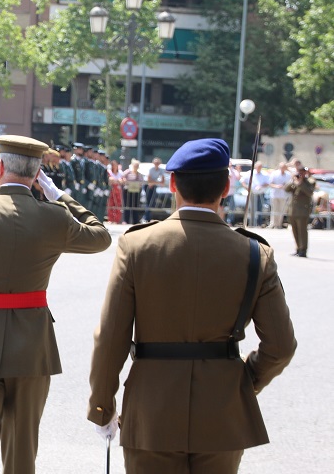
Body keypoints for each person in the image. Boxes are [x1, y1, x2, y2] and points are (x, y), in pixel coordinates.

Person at [88, 138, 297, 474]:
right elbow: (281, 347)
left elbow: (110, 336)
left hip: (152, 408)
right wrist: (244, 381)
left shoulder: (137, 245)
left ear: (173, 184)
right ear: (226, 187)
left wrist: (101, 406)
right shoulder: (255, 253)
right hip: (224, 407)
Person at [0, 135, 111, 473]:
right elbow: (100, 235)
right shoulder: (54, 217)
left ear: (0, 167)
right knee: (22, 447)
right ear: (38, 173)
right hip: (31, 349)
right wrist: (59, 196)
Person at [285, 165, 316, 258]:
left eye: (303, 172)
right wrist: (293, 180)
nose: (301, 174)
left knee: (302, 231)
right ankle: (298, 248)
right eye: (299, 172)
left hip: (303, 211)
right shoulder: (295, 180)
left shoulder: (309, 182)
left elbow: (309, 192)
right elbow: (286, 189)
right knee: (295, 231)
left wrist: (301, 183)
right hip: (293, 210)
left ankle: (303, 250)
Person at [268, 162, 291, 229]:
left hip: (284, 195)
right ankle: (273, 224)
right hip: (275, 194)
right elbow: (270, 183)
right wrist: (277, 186)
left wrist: (285, 186)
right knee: (274, 209)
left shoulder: (288, 174)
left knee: (281, 210)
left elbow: (290, 184)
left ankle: (279, 224)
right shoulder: (275, 173)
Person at [120, 159, 143, 224]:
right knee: (127, 205)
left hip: (136, 192)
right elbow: (122, 177)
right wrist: (125, 181)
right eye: (135, 165)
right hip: (127, 191)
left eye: (137, 166)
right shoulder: (128, 172)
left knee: (135, 206)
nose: (136, 167)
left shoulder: (139, 174)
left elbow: (141, 182)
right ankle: (126, 220)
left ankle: (135, 221)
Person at [143, 157, 165, 221]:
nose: (156, 164)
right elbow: (149, 179)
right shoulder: (151, 169)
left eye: (158, 163)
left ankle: (148, 217)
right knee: (148, 202)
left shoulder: (161, 170)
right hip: (147, 186)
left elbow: (162, 180)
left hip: (153, 186)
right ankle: (146, 217)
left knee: (152, 202)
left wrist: (154, 183)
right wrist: (157, 182)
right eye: (155, 163)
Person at [107, 160, 124, 224]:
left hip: (118, 191)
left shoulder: (120, 173)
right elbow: (110, 179)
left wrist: (117, 181)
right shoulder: (109, 172)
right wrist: (116, 181)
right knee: (110, 204)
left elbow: (122, 180)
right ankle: (111, 219)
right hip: (111, 190)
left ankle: (117, 220)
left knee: (118, 205)